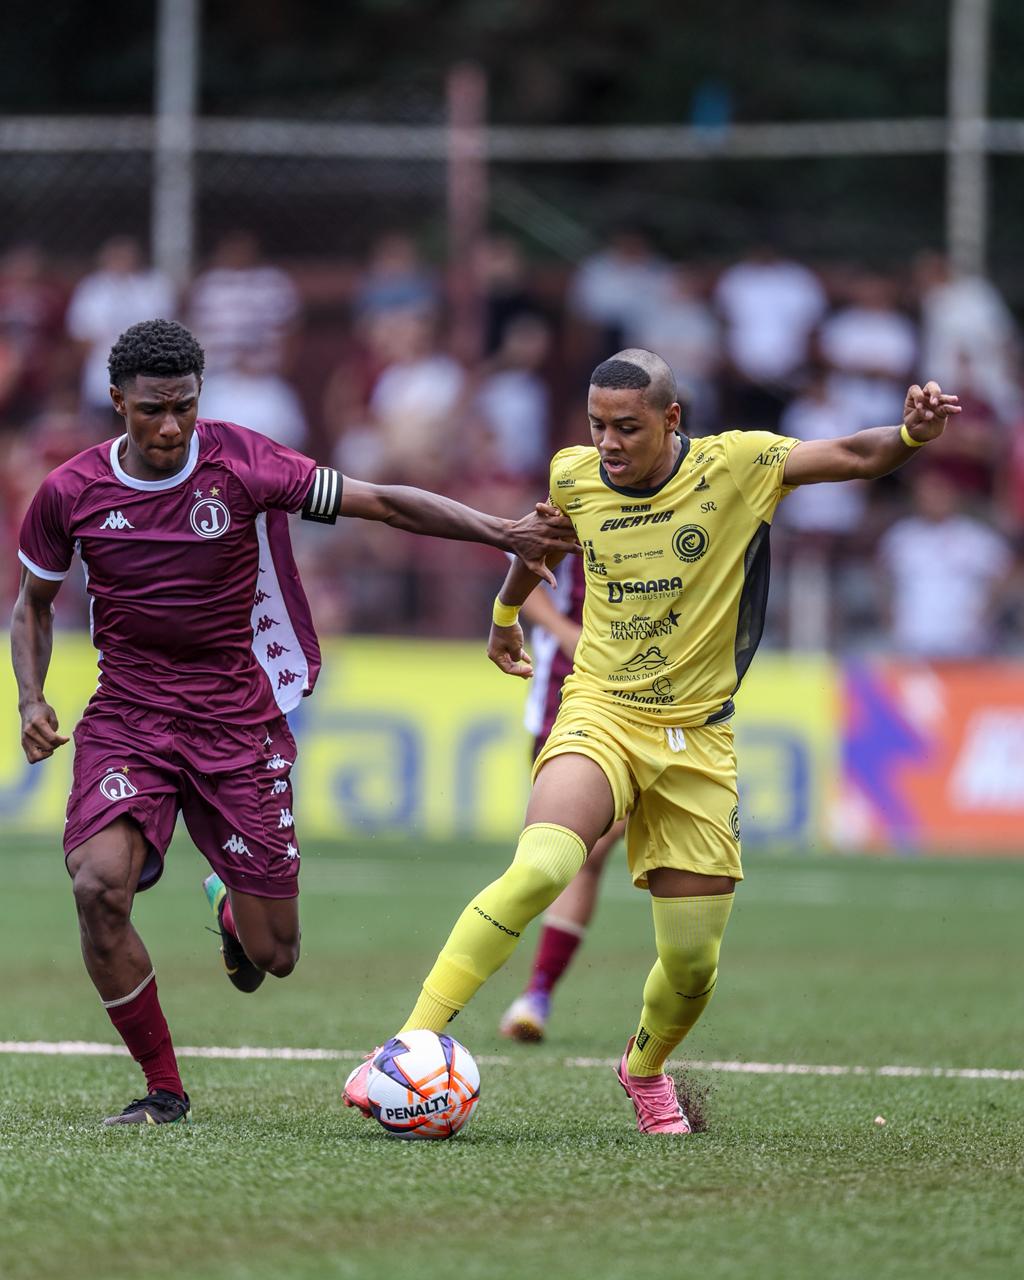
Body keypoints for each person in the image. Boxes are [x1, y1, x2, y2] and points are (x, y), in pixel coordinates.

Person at [344, 348, 960, 1135]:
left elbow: (851, 454)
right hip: (601, 711)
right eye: (598, 424)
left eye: (627, 427)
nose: (608, 443)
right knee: (541, 867)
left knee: (693, 966)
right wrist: (502, 619)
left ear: (672, 419)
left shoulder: (737, 465)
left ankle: (643, 1069)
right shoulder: (574, 476)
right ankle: (405, 1044)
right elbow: (539, 548)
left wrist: (909, 435)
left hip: (699, 741)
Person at [11, 319, 577, 1128]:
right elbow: (30, 608)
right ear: (117, 404)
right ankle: (164, 1090)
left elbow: (378, 502)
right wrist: (32, 700)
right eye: (151, 411)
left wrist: (501, 533)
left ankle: (227, 905)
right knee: (98, 888)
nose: (170, 426)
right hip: (129, 720)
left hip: (238, 724)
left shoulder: (242, 461)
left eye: (184, 407)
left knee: (273, 957)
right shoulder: (70, 492)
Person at [498, 552, 625, 1043]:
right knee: (567, 852)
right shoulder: (571, 491)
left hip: (662, 688)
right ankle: (535, 993)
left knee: (601, 850)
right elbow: (521, 577)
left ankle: (537, 993)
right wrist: (565, 630)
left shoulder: (685, 491)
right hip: (570, 687)